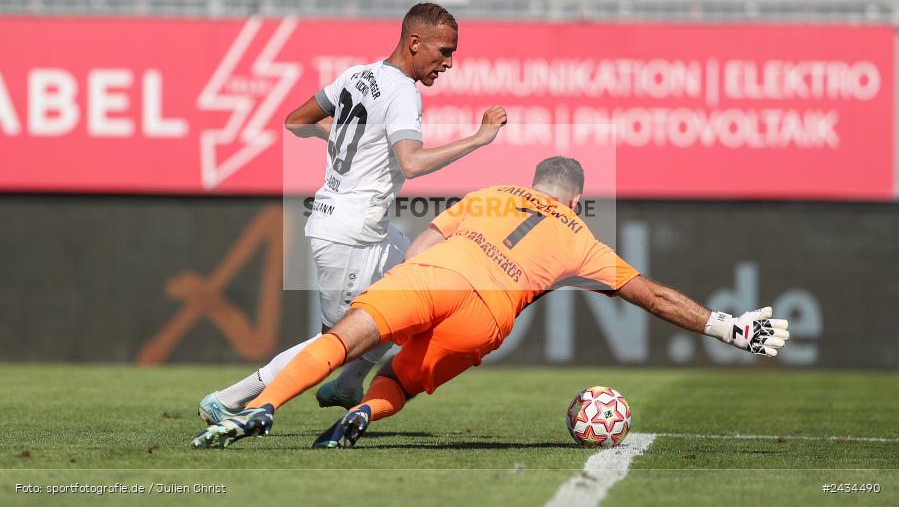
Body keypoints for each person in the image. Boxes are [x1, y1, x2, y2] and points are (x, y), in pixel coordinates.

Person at [192, 157, 789, 449]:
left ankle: (261, 407)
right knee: (400, 379)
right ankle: (359, 417)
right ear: (577, 198)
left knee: (342, 341)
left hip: (433, 275)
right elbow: (653, 297)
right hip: (486, 318)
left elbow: (427, 238)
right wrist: (727, 328)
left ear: (535, 182)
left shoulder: (492, 193)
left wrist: (404, 288)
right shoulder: (580, 237)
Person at [197, 3, 508, 424]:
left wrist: (351, 138)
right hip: (348, 232)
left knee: (414, 288)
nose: (449, 62)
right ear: (414, 42)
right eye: (444, 51)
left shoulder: (357, 75)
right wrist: (478, 138)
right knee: (334, 341)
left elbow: (296, 121)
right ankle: (231, 400)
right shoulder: (402, 91)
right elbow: (412, 163)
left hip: (366, 228)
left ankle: (348, 383)